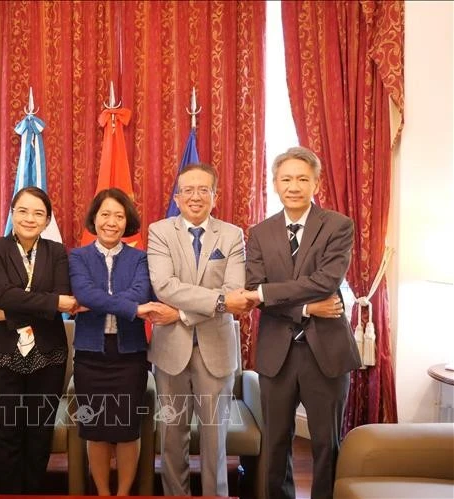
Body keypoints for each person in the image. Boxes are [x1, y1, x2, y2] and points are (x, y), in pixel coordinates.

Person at [243, 146, 362, 499]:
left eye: (302, 179)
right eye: (286, 179)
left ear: (316, 183)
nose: (294, 186)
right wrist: (306, 310)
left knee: (326, 442)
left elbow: (327, 281)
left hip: (327, 353)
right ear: (275, 184)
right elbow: (253, 290)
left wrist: (268, 293)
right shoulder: (260, 232)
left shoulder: (338, 225)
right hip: (276, 353)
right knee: (276, 442)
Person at [147, 163, 253, 496]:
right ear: (177, 198)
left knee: (214, 438)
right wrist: (219, 302)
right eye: (188, 190)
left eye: (203, 189)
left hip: (216, 351)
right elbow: (165, 286)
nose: (195, 196)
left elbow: (235, 291)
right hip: (170, 353)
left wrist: (180, 313)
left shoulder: (232, 234)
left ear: (214, 195)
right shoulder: (160, 231)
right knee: (171, 436)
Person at [0, 186, 78, 494]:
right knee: (4, 432)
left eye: (38, 213)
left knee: (38, 432)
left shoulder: (56, 252)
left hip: (47, 354)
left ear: (47, 220)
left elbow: (61, 298)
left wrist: (7, 313)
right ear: (11, 213)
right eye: (23, 211)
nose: (30, 218)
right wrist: (46, 302)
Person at [69, 188, 156, 496]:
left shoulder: (140, 258)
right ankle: (104, 494)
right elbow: (84, 293)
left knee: (127, 431)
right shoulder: (77, 256)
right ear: (94, 218)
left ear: (127, 221)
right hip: (91, 356)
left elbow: (140, 292)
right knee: (96, 431)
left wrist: (106, 301)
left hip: (129, 356)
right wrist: (132, 309)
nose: (111, 221)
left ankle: (122, 495)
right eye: (105, 214)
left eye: (119, 216)